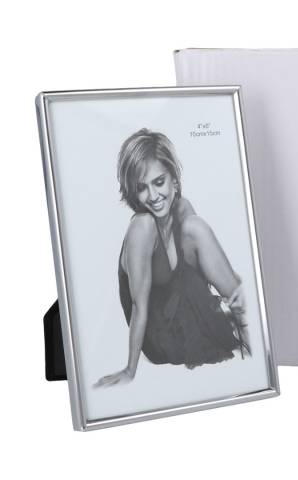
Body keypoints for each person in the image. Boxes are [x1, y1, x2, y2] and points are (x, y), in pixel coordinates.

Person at [94, 128, 250, 387]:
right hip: (157, 332)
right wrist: (130, 370)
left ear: (174, 180)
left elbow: (204, 273)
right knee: (196, 228)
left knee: (195, 226)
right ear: (133, 192)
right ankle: (247, 321)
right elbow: (138, 306)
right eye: (142, 188)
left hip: (185, 311)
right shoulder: (142, 228)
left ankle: (249, 319)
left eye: (159, 182)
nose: (153, 196)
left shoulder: (182, 208)